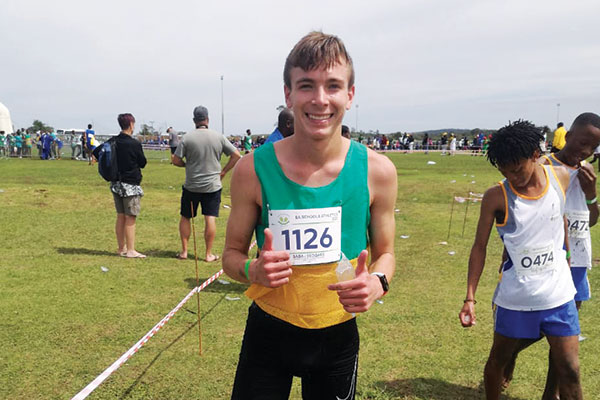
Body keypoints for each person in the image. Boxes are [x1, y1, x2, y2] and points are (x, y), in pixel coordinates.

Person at [223, 31, 397, 399]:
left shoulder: (377, 171)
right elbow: (231, 256)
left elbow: (386, 254)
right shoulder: (252, 169)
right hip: (269, 333)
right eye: (306, 85)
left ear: (350, 94)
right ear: (288, 95)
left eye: (333, 85)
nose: (320, 99)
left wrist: (377, 282)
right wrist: (252, 270)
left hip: (337, 337)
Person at [458, 120, 582, 400]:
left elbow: (560, 215)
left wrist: (566, 255)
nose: (511, 177)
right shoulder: (496, 196)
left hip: (559, 297)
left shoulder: (560, 178)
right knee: (498, 362)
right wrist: (470, 298)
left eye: (516, 169)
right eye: (504, 171)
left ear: (535, 155)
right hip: (515, 299)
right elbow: (479, 247)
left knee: (570, 370)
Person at [500, 113, 600, 396]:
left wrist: (592, 193)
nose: (585, 151)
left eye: (593, 147)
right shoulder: (544, 166)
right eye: (582, 143)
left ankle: (550, 393)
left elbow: (592, 220)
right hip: (545, 260)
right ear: (568, 136)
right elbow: (520, 215)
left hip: (577, 261)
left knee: (566, 336)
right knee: (541, 328)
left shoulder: (587, 173)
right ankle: (508, 353)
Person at [172, 106, 241, 261]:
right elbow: (236, 155)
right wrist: (224, 171)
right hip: (212, 186)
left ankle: (184, 251)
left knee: (186, 217)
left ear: (194, 120)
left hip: (192, 185)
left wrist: (186, 165)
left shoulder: (187, 138)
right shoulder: (218, 137)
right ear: (207, 119)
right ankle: (208, 254)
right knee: (210, 217)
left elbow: (175, 160)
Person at [93, 113, 147, 258]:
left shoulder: (113, 141)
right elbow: (142, 162)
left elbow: (97, 152)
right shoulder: (134, 144)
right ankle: (131, 250)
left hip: (116, 183)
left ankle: (121, 248)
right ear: (131, 124)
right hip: (130, 184)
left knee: (121, 216)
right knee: (131, 217)